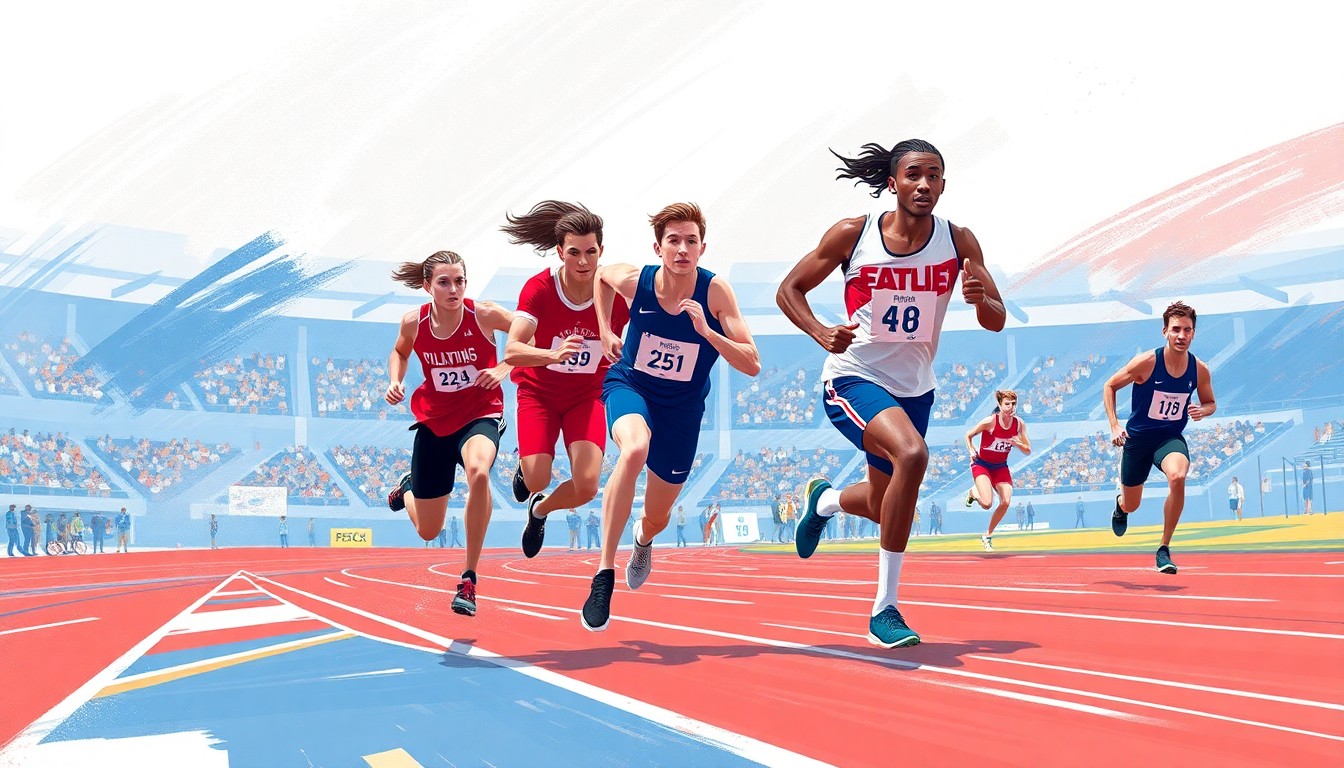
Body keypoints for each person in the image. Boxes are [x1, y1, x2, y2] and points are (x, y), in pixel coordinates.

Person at [778, 138, 1006, 648]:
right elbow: (788, 290)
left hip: (914, 390)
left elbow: (996, 320)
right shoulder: (853, 235)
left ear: (943, 185)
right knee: (913, 454)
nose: (924, 184)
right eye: (913, 175)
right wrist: (820, 332)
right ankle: (885, 608)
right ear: (893, 182)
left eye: (933, 176)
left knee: (885, 506)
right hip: (853, 377)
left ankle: (826, 502)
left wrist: (979, 298)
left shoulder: (960, 242)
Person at [579, 203, 761, 632]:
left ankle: (643, 540)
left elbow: (752, 362)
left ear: (702, 247)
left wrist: (708, 333)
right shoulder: (636, 280)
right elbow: (601, 278)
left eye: (691, 241)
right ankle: (604, 573)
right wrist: (605, 329)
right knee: (634, 448)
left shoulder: (716, 293)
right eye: (673, 241)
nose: (682, 249)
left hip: (682, 410)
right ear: (658, 247)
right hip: (632, 387)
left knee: (659, 516)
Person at [384, 250, 513, 617]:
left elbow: (525, 330)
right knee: (428, 530)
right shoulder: (414, 322)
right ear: (428, 287)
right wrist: (395, 380)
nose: (453, 288)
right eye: (444, 282)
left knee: (480, 472)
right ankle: (409, 487)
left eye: (459, 281)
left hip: (480, 414)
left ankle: (469, 578)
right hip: (435, 422)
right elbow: (399, 351)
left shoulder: (483, 314)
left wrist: (504, 365)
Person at [500, 202, 631, 559]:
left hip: (585, 396)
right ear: (560, 252)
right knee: (537, 477)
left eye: (591, 252)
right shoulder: (540, 289)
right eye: (574, 253)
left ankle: (540, 510)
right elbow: (512, 350)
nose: (584, 262)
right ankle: (528, 472)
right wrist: (551, 356)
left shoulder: (617, 297)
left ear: (601, 251)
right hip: (538, 394)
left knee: (588, 486)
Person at [1102, 301, 1216, 574]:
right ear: (1164, 331)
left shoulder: (1199, 369)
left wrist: (1204, 410)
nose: (1181, 336)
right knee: (1133, 504)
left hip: (1170, 437)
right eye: (1176, 329)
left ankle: (1164, 548)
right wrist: (1115, 425)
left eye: (1187, 330)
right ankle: (1120, 506)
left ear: (1193, 334)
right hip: (1138, 440)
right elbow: (1110, 385)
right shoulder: (1147, 362)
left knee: (1178, 476)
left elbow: (1211, 402)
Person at [963, 390, 1031, 551]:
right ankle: (974, 493)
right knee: (987, 503)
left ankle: (987, 536)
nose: (1011, 407)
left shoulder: (1019, 424)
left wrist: (1018, 444)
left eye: (1013, 404)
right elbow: (968, 434)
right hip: (982, 465)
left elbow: (1028, 449)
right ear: (1000, 406)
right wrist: (971, 450)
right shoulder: (990, 422)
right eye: (1007, 404)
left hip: (1001, 467)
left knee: (1006, 501)